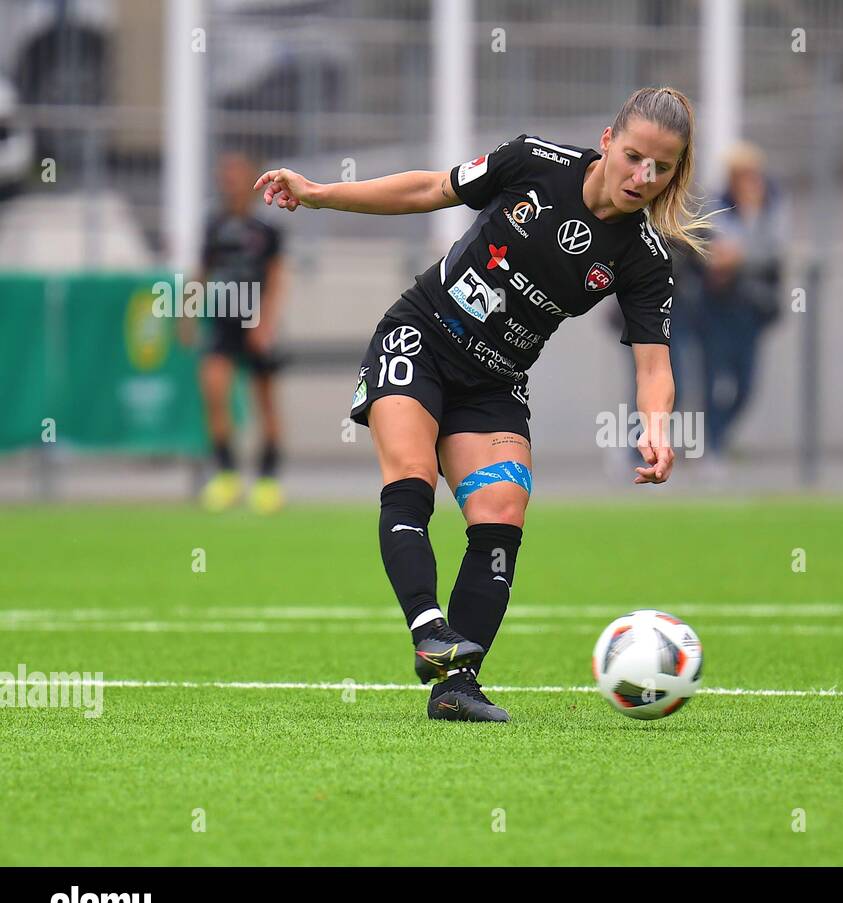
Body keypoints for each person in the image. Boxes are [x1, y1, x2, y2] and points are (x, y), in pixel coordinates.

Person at [252, 87, 711, 722]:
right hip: (421, 336)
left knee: (502, 509)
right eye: (634, 156)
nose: (644, 177)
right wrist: (320, 193)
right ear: (607, 140)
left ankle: (456, 687)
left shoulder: (644, 258)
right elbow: (429, 191)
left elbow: (654, 362)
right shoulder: (533, 161)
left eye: (662, 168)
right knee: (412, 474)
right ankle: (428, 629)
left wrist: (657, 427)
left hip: (495, 381)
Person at [195, 151, 288, 514]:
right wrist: (188, 313)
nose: (229, 180)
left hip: (256, 321)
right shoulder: (214, 225)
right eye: (225, 174)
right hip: (222, 318)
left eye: (236, 174)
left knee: (263, 400)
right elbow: (202, 269)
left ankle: (267, 480)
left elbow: (278, 276)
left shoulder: (267, 229)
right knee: (215, 391)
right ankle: (226, 476)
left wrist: (266, 322)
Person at [698, 142, 786, 463]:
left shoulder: (772, 205)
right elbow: (715, 253)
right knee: (714, 378)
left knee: (746, 383)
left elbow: (771, 250)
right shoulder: (716, 203)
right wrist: (733, 254)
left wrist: (744, 240)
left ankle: (719, 436)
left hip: (752, 308)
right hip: (717, 307)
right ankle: (714, 447)